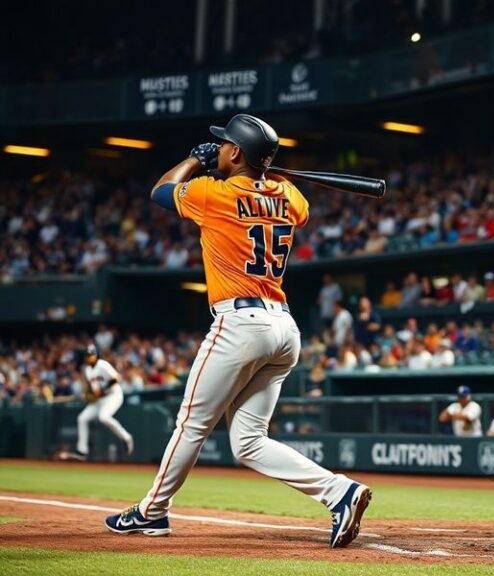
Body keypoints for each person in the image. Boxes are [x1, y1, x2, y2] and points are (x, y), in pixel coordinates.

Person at [104, 114, 370, 548]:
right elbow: (295, 203)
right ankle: (339, 491)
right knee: (248, 442)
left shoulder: (214, 193)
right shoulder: (289, 195)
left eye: (225, 144)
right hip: (284, 329)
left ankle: (151, 512)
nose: (219, 148)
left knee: (191, 424)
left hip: (240, 324)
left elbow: (161, 190)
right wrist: (262, 172)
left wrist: (195, 159)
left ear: (236, 152)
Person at [73, 345, 134, 460]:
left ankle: (126, 437)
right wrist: (88, 394)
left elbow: (117, 378)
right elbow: (93, 389)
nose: (89, 357)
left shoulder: (102, 365)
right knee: (82, 418)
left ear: (95, 355)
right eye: (87, 356)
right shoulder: (88, 370)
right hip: (100, 399)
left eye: (91, 355)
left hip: (113, 395)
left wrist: (102, 389)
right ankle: (82, 450)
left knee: (103, 417)